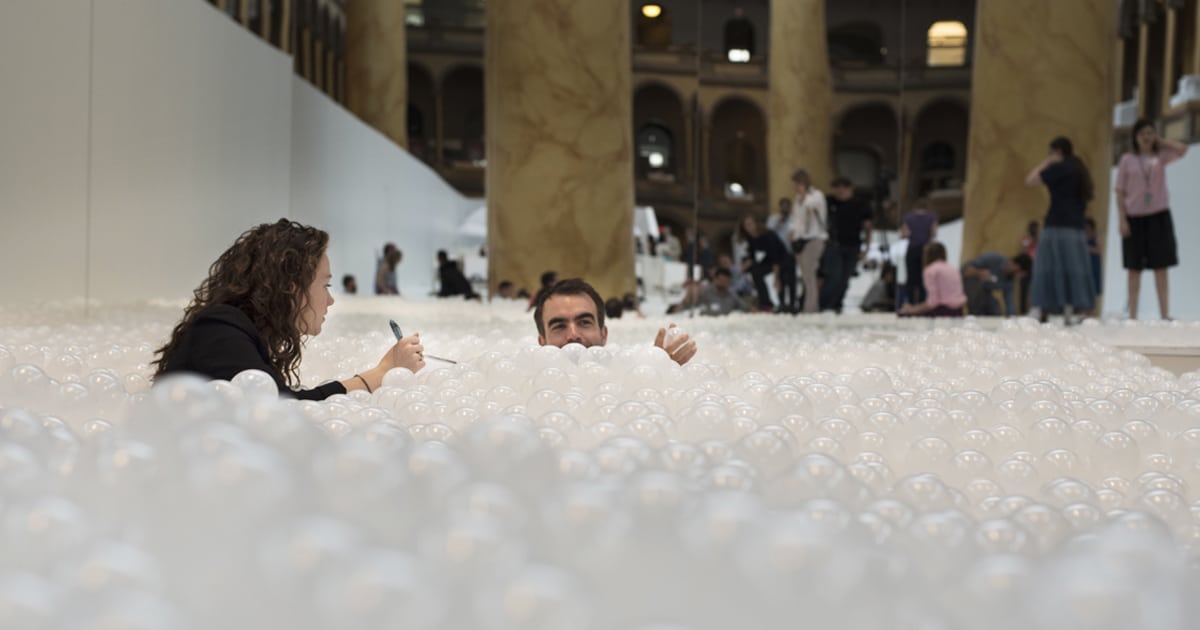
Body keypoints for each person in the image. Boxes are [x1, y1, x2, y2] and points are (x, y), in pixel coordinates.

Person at [154, 220, 425, 400]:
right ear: (292, 288)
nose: (330, 300)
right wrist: (382, 372)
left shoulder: (236, 330)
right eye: (325, 285)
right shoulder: (219, 328)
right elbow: (283, 411)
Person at [1115, 118, 1188, 320]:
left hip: (1158, 217)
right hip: (1134, 218)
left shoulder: (1161, 156)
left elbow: (1183, 149)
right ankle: (1132, 316)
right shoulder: (1127, 160)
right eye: (1143, 134)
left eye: (1150, 133)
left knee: (1161, 265)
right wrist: (1122, 219)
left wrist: (1161, 141)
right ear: (1135, 137)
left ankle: (1165, 314)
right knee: (1133, 268)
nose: (1147, 137)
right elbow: (1119, 192)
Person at [534, 278, 697, 365]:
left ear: (603, 334)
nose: (573, 335)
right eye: (559, 326)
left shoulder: (625, 376)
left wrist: (662, 370)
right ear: (542, 342)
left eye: (584, 322)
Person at [1024, 136, 1096, 323]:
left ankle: (1042, 307)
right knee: (1076, 268)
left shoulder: (1058, 168)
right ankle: (1080, 308)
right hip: (1076, 228)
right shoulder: (1079, 170)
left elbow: (1030, 180)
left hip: (1056, 226)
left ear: (1057, 152)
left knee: (1047, 267)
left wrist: (1048, 161)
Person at [820, 176, 873, 313]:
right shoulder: (830, 202)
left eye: (843, 190)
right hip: (835, 243)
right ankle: (824, 304)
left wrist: (866, 247)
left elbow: (868, 227)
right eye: (837, 190)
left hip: (853, 245)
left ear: (850, 189)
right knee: (833, 275)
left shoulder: (860, 204)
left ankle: (837, 304)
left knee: (845, 277)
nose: (840, 193)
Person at [789, 169, 828, 313]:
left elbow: (810, 206)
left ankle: (810, 308)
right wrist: (792, 232)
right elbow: (796, 219)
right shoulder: (797, 199)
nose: (795, 188)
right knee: (805, 276)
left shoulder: (816, 196)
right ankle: (809, 306)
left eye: (797, 184)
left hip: (814, 238)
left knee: (810, 275)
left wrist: (804, 194)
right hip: (800, 241)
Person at [738, 214, 792, 312]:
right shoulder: (750, 237)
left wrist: (776, 277)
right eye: (746, 225)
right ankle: (765, 303)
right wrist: (745, 266)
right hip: (768, 259)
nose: (749, 227)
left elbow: (776, 257)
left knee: (781, 281)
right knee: (755, 271)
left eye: (750, 224)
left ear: (756, 224)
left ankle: (783, 305)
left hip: (782, 259)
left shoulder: (767, 235)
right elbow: (752, 255)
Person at [899, 242, 965, 317]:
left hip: (942, 312)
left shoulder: (930, 270)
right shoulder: (953, 269)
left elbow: (933, 302)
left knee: (902, 314)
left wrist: (911, 309)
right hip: (959, 311)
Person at [961, 252, 1032, 316]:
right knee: (977, 300)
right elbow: (965, 271)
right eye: (1019, 273)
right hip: (967, 286)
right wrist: (978, 273)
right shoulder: (992, 258)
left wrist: (1012, 318)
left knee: (995, 309)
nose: (1018, 277)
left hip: (985, 292)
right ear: (1014, 265)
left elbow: (1009, 303)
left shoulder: (1010, 279)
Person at [900, 202, 937, 306]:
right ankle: (923, 302)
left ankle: (911, 302)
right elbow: (933, 233)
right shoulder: (932, 216)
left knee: (911, 278)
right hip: (926, 250)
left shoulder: (908, 217)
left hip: (912, 249)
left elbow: (904, 233)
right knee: (925, 278)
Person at [766, 197, 799, 311]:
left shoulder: (794, 219)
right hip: (777, 253)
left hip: (790, 253)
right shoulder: (773, 219)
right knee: (780, 278)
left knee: (792, 279)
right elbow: (769, 232)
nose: (785, 208)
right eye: (783, 206)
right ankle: (781, 303)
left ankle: (792, 303)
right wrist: (780, 221)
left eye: (787, 206)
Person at [1084, 217, 1102, 307]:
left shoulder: (1096, 236)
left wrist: (1088, 249)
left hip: (1094, 263)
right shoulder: (1082, 237)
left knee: (1094, 286)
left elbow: (1099, 250)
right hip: (1085, 264)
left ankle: (1091, 308)